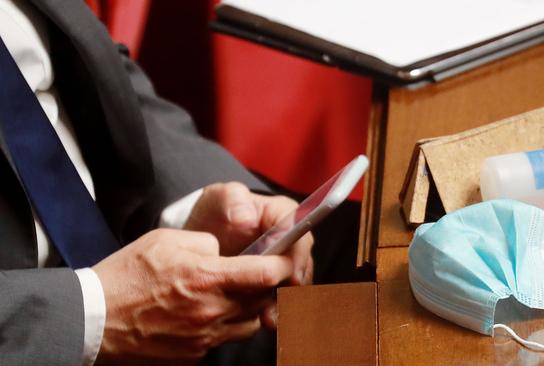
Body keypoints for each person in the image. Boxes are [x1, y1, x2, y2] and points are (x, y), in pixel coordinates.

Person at [0, 0, 313, 364]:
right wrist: (94, 315)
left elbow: (92, 62)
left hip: (134, 242)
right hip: (41, 332)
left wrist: (197, 204)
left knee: (372, 273)